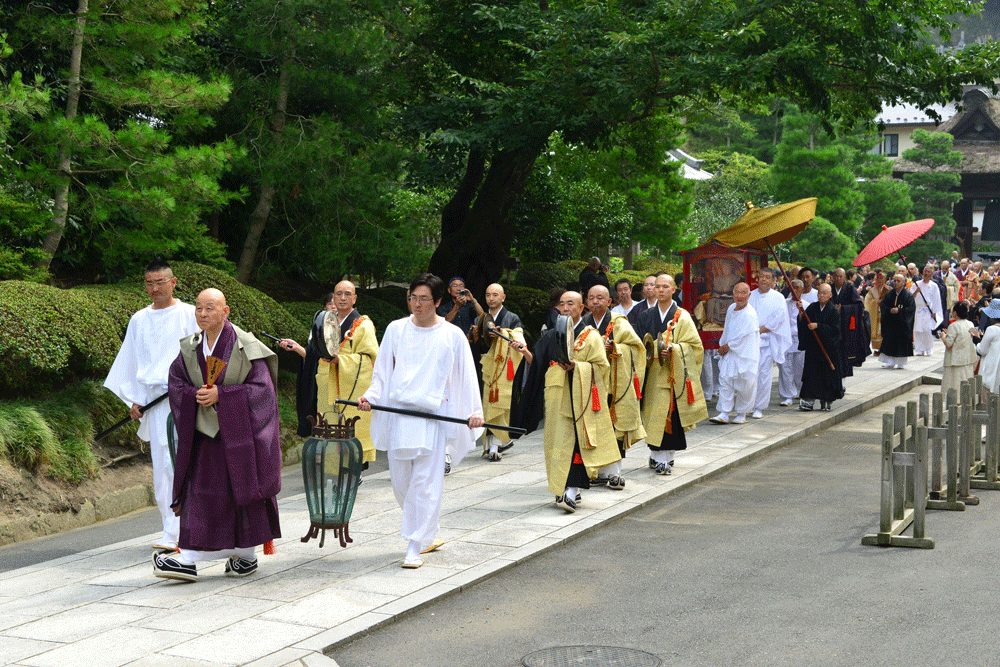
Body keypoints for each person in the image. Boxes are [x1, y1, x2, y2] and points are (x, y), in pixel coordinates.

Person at [154, 289, 282, 582]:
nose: (202, 313)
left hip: (239, 439)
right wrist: (194, 394)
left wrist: (223, 395)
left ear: (226, 311)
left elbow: (263, 393)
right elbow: (176, 382)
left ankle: (222, 556)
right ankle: (210, 555)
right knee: (202, 494)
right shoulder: (190, 347)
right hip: (203, 434)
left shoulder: (246, 345)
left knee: (242, 493)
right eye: (198, 308)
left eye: (210, 308)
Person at [359, 274, 484, 568]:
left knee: (426, 483)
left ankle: (414, 545)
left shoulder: (451, 335)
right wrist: (371, 396)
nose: (417, 304)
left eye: (424, 299)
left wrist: (473, 412)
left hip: (433, 416)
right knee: (402, 483)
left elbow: (466, 376)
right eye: (413, 297)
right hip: (401, 414)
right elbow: (381, 373)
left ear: (438, 302)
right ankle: (426, 530)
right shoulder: (396, 329)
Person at [104, 260, 198, 552]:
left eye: (160, 282)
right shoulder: (139, 320)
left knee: (187, 460)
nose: (154, 288)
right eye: (149, 283)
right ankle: (171, 531)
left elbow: (205, 352)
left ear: (174, 282)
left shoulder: (189, 314)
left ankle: (193, 526)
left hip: (185, 398)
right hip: (155, 402)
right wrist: (135, 398)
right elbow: (130, 361)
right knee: (163, 465)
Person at [636, 274, 708, 474]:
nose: (660, 290)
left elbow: (695, 347)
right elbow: (638, 345)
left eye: (665, 286)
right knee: (652, 414)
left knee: (670, 416)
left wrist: (675, 349)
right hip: (652, 375)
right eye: (656, 286)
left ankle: (664, 459)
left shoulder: (683, 316)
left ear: (673, 290)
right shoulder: (645, 316)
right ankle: (656, 455)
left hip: (672, 376)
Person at [300, 281, 378, 464]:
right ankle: (333, 476)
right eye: (339, 294)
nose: (343, 298)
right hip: (328, 383)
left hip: (350, 388)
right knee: (330, 430)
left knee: (351, 434)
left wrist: (341, 360)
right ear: (333, 297)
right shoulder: (327, 321)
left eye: (348, 294)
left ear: (355, 298)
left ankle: (354, 474)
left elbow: (370, 358)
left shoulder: (363, 325)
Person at [593, 298, 646, 489]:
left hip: (615, 384)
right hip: (593, 383)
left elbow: (636, 347)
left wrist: (615, 347)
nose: (595, 302)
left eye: (600, 298)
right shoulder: (584, 323)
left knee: (615, 427)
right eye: (591, 298)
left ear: (608, 301)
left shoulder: (619, 322)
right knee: (595, 428)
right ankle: (598, 471)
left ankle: (615, 472)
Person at [472, 283, 525, 462]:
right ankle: (492, 444)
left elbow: (519, 338)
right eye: (488, 295)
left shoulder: (512, 317)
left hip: (504, 367)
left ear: (503, 298)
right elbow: (476, 343)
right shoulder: (481, 318)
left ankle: (497, 444)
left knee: (501, 405)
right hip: (487, 367)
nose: (491, 298)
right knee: (487, 404)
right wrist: (475, 334)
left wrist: (502, 332)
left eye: (495, 295)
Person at [280, 292, 335, 437]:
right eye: (331, 304)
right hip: (319, 378)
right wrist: (297, 348)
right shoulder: (319, 326)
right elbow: (313, 356)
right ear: (324, 307)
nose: (334, 307)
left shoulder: (350, 327)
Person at [711, 283, 759, 424]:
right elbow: (727, 329)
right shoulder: (731, 308)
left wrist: (728, 345)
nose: (739, 296)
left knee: (745, 385)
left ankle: (741, 414)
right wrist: (723, 345)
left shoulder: (750, 314)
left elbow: (744, 337)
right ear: (733, 294)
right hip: (730, 352)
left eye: (743, 293)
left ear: (749, 295)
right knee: (725, 381)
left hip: (745, 354)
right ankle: (724, 413)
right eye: (737, 292)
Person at [748, 268, 792, 418]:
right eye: (761, 277)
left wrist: (760, 329)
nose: (764, 279)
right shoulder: (750, 295)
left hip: (767, 341)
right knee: (749, 375)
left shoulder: (778, 297)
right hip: (750, 342)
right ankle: (748, 404)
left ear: (774, 281)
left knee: (764, 375)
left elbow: (778, 319)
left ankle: (759, 407)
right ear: (757, 279)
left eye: (768, 277)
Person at [798, 284, 844, 411]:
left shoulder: (833, 310)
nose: (821, 295)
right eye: (819, 293)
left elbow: (835, 330)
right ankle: (809, 401)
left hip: (828, 349)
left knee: (827, 375)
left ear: (830, 295)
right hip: (814, 348)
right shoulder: (812, 307)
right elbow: (804, 323)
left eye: (824, 293)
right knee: (812, 375)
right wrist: (801, 314)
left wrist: (818, 326)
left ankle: (826, 400)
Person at [830, 268, 868, 376]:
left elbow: (859, 305)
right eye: (836, 276)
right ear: (832, 277)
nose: (838, 278)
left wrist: (844, 309)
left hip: (846, 327)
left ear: (845, 277)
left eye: (840, 276)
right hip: (832, 325)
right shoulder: (830, 288)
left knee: (844, 356)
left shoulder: (850, 288)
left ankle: (843, 382)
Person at [778, 279, 806, 407]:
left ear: (802, 289)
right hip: (786, 340)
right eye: (793, 288)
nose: (795, 290)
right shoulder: (783, 303)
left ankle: (801, 391)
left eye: (797, 288)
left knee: (799, 368)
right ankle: (788, 395)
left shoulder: (807, 304)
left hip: (800, 340)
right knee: (785, 368)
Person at [942, 301, 978, 401]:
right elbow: (975, 336)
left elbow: (949, 344)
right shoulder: (971, 324)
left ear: (955, 313)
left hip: (955, 362)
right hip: (967, 360)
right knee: (965, 387)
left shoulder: (953, 326)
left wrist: (944, 337)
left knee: (954, 388)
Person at [879, 274, 916, 369]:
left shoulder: (908, 295)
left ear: (903, 283)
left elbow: (911, 309)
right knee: (889, 341)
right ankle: (890, 361)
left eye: (898, 281)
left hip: (902, 324)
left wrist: (899, 311)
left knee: (901, 343)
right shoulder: (889, 294)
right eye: (894, 281)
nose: (896, 283)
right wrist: (889, 310)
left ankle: (900, 363)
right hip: (891, 323)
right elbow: (883, 305)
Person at [910, 265, 943, 356]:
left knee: (927, 330)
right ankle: (919, 349)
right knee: (917, 330)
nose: (926, 273)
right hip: (918, 310)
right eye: (925, 271)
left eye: (929, 272)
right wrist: (916, 291)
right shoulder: (916, 284)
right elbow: (910, 298)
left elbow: (937, 300)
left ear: (932, 274)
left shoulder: (934, 285)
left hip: (928, 310)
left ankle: (928, 348)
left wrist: (935, 312)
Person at [976, 299, 1000, 393]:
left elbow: (982, 350)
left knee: (988, 396)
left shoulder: (992, 329)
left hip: (992, 367)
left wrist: (977, 341)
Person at [864, 270, 890, 354]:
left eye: (882, 278)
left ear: (885, 279)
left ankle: (885, 347)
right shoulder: (872, 291)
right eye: (878, 278)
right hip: (875, 313)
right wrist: (875, 302)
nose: (880, 280)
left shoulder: (889, 289)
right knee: (876, 330)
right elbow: (867, 302)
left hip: (885, 313)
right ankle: (877, 349)